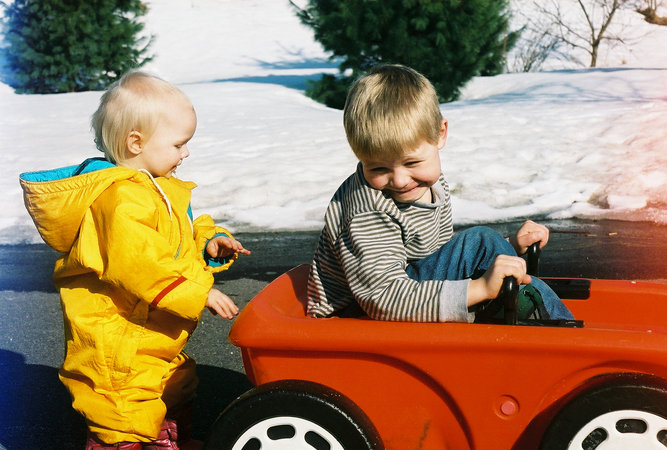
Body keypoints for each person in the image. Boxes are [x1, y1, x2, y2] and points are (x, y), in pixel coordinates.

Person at [19, 70, 250, 449]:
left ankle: (166, 438)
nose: (186, 153)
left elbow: (178, 233)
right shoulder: (119, 201)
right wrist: (198, 293)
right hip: (118, 335)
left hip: (149, 327)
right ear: (135, 142)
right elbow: (141, 264)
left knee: (173, 383)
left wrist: (209, 241)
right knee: (121, 408)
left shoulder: (159, 188)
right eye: (178, 144)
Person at [307, 64, 573, 323]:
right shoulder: (367, 211)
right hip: (358, 315)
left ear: (440, 134)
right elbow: (382, 298)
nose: (399, 181)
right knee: (480, 243)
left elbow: (440, 256)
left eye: (412, 163)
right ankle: (557, 334)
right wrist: (480, 288)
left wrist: (509, 246)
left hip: (405, 290)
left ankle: (530, 309)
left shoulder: (430, 185)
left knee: (481, 242)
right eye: (378, 168)